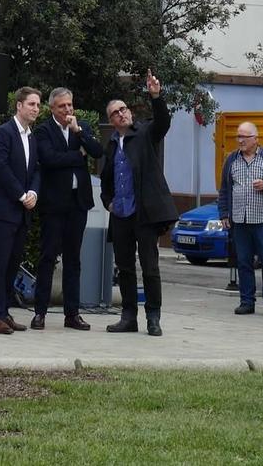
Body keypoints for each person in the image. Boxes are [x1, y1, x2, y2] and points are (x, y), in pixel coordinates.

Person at [100, 71, 176, 336]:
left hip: (144, 214)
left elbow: (163, 124)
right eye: (116, 112)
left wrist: (156, 95)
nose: (122, 113)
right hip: (120, 215)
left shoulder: (144, 133)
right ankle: (128, 316)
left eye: (124, 109)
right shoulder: (111, 145)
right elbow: (106, 180)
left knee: (150, 267)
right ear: (111, 121)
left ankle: (153, 317)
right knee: (124, 268)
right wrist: (108, 202)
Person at [31, 85, 102, 330]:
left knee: (74, 259)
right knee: (48, 257)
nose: (68, 109)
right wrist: (77, 156)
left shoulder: (81, 128)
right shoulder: (43, 130)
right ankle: (40, 312)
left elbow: (96, 151)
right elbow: (49, 159)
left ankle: (72, 314)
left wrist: (79, 132)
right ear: (52, 108)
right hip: (54, 203)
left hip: (77, 203)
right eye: (62, 106)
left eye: (70, 105)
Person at [0, 87, 42, 336]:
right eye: (31, 104)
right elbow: (0, 168)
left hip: (22, 212)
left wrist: (34, 193)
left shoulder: (32, 137)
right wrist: (21, 195)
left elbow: (37, 169)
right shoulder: (3, 133)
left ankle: (4, 311)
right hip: (4, 211)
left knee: (12, 265)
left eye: (38, 105)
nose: (36, 109)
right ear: (18, 105)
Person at [218, 121, 263, 318]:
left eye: (244, 137)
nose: (240, 140)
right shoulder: (231, 160)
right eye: (238, 136)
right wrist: (224, 213)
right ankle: (246, 301)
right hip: (240, 221)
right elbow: (224, 189)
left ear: (255, 139)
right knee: (243, 262)